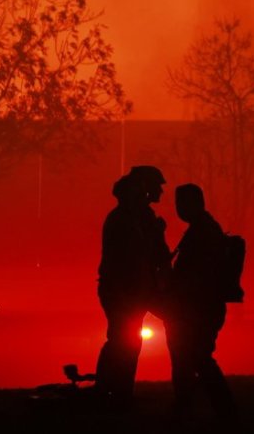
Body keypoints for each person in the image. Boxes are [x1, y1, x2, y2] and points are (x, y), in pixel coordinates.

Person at [94, 165, 172, 406]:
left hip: (132, 290)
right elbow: (135, 256)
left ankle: (114, 392)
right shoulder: (125, 219)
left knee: (125, 340)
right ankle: (114, 393)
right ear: (144, 189)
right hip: (123, 291)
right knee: (123, 340)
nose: (160, 191)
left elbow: (156, 255)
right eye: (156, 186)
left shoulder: (136, 217)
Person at [164, 183, 237, 425]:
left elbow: (196, 275)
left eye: (181, 203)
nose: (178, 209)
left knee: (197, 357)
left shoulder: (202, 233)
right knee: (193, 357)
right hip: (199, 308)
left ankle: (224, 409)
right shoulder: (204, 229)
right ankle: (191, 408)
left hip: (198, 309)